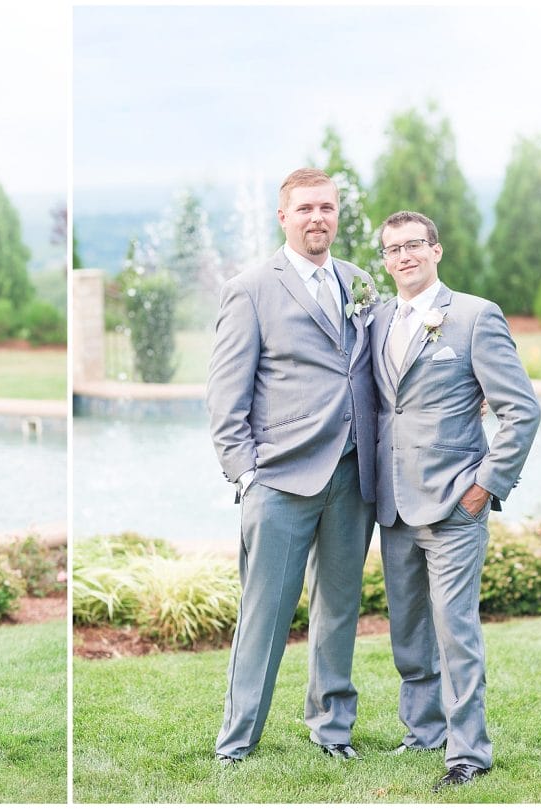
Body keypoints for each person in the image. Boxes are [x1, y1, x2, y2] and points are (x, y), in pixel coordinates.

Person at [206, 168, 378, 764]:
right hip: (279, 481)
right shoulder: (250, 288)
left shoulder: (359, 282)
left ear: (337, 214)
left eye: (326, 207)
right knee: (265, 617)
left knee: (339, 611)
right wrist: (246, 474)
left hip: (353, 477)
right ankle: (237, 741)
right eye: (305, 208)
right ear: (283, 216)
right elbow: (225, 395)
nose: (317, 218)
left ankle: (332, 730)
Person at [370, 211, 540, 792]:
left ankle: (468, 752)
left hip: (453, 504)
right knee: (408, 631)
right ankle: (422, 732)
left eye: (414, 244)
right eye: (393, 249)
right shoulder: (378, 318)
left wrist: (484, 486)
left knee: (455, 630)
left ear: (436, 250)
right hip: (393, 504)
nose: (404, 256)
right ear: (385, 260)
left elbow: (522, 411)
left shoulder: (474, 316)